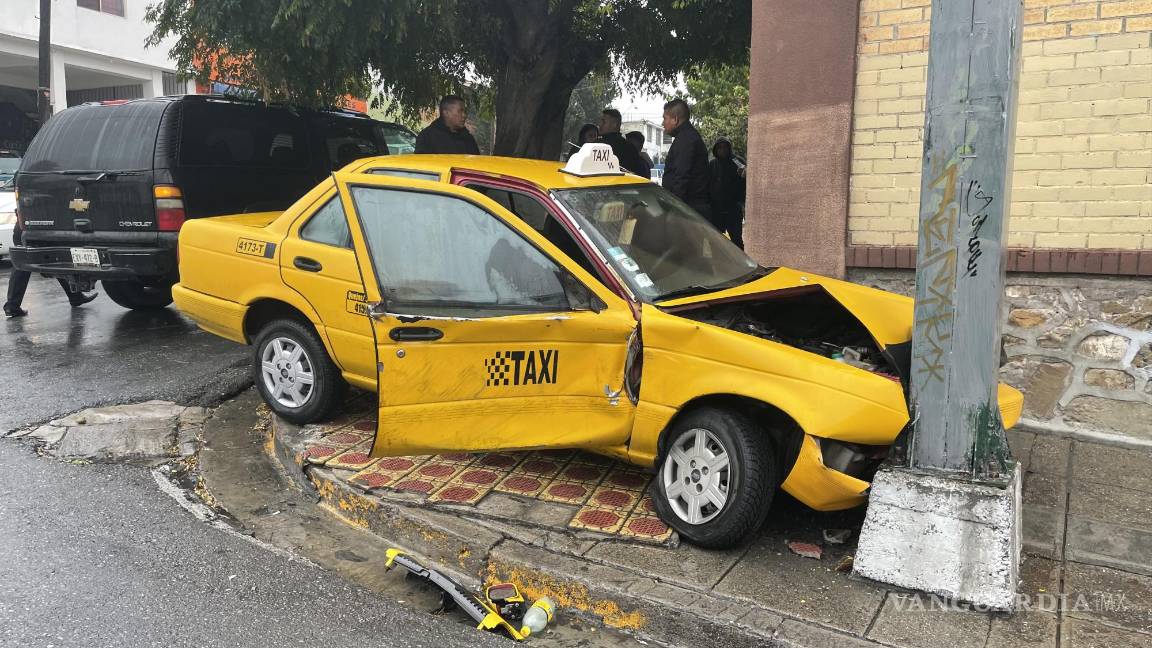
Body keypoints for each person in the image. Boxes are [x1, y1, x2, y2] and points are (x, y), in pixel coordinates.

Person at [3, 222, 98, 317]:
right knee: (55, 259)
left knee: (30, 261)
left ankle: (12, 305)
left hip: (24, 227)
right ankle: (75, 297)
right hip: (42, 229)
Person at [661, 99, 711, 222]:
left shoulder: (686, 139)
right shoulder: (687, 136)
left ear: (675, 119)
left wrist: (674, 208)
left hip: (688, 209)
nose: (663, 123)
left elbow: (681, 177)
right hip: (690, 207)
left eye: (665, 118)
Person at [708, 137, 747, 249]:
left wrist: (744, 174)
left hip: (733, 210)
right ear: (716, 150)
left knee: (737, 241)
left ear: (729, 148)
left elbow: (747, 179)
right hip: (716, 210)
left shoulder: (737, 162)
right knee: (715, 242)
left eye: (725, 147)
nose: (722, 150)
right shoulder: (712, 164)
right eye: (719, 147)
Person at [414, 95, 480, 155]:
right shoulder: (427, 137)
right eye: (460, 111)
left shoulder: (467, 137)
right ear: (446, 113)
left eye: (464, 111)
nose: (464, 115)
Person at [597, 109, 649, 178]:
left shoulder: (599, 145)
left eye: (603, 122)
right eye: (600, 121)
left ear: (614, 125)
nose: (600, 124)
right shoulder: (629, 147)